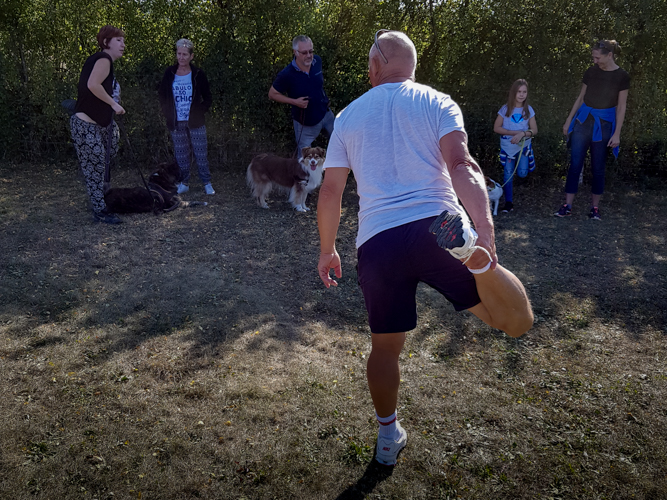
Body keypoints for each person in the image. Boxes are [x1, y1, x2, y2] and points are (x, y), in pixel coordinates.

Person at [317, 30, 533, 466]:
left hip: (377, 241)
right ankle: (477, 260)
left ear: (378, 63)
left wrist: (328, 250)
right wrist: (485, 235)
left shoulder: (348, 116)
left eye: (367, 61)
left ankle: (386, 436)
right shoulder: (436, 101)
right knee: (515, 323)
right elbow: (462, 165)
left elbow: (330, 192)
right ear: (411, 65)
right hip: (439, 227)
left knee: (384, 348)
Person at [556, 40, 629, 220]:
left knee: (598, 167)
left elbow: (621, 107)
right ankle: (567, 205)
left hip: (604, 124)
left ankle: (594, 208)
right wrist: (569, 120)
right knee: (574, 164)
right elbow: (581, 97)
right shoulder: (591, 71)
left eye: (597, 57)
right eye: (593, 57)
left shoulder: (622, 76)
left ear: (609, 55)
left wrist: (617, 133)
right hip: (583, 121)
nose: (594, 61)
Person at [70, 25, 126, 224]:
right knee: (95, 165)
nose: (123, 44)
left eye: (123, 41)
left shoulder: (104, 61)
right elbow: (92, 85)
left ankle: (99, 196)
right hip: (85, 125)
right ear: (106, 42)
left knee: (103, 158)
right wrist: (114, 103)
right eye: (118, 40)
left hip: (100, 125)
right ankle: (100, 211)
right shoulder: (104, 59)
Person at [159, 38, 214, 195]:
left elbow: (208, 97)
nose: (181, 57)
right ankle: (184, 182)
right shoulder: (169, 73)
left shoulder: (198, 74)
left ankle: (207, 183)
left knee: (201, 153)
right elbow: (162, 95)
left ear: (191, 56)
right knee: (181, 155)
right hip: (176, 121)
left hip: (195, 121)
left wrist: (200, 111)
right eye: (179, 54)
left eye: (184, 54)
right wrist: (167, 112)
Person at [268, 35, 335, 152]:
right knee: (303, 161)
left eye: (311, 51)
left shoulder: (317, 61)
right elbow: (272, 94)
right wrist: (294, 102)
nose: (309, 55)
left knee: (340, 143)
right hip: (304, 124)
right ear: (295, 52)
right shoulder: (287, 74)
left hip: (326, 114)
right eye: (304, 53)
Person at [493, 79, 538, 213]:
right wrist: (514, 133)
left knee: (523, 173)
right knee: (508, 175)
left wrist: (523, 134)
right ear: (513, 93)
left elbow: (534, 130)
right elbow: (496, 127)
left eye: (524, 92)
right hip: (508, 148)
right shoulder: (505, 109)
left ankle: (521, 174)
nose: (521, 94)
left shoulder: (529, 110)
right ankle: (508, 203)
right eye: (519, 91)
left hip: (523, 147)